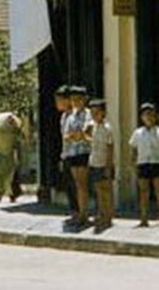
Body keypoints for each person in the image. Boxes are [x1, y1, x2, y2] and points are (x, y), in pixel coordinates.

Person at [62, 86, 93, 228]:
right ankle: (81, 213)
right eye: (73, 99)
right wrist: (76, 135)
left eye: (78, 99)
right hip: (73, 152)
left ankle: (84, 214)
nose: (75, 102)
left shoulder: (88, 114)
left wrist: (77, 135)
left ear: (84, 99)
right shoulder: (71, 116)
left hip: (84, 152)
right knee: (78, 184)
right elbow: (66, 135)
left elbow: (85, 131)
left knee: (83, 184)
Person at [84, 99, 115, 233]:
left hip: (104, 163)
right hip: (94, 161)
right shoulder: (92, 126)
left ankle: (108, 216)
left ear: (103, 113)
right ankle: (101, 213)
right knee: (98, 190)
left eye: (97, 112)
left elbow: (110, 147)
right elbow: (88, 138)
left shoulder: (107, 128)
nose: (94, 115)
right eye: (92, 112)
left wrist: (108, 166)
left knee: (106, 190)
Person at [128, 102, 159, 228]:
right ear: (142, 117)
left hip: (157, 163)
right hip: (143, 164)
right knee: (143, 192)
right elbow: (133, 149)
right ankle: (144, 218)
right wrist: (133, 165)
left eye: (151, 114)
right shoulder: (138, 133)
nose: (149, 117)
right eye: (146, 115)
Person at [54, 86, 79, 222]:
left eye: (59, 100)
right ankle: (74, 210)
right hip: (67, 153)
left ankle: (81, 211)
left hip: (77, 153)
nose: (57, 103)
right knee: (69, 184)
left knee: (78, 185)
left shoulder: (77, 115)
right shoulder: (63, 116)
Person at [0, 112, 22, 204]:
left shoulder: (7, 132)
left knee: (5, 177)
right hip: (5, 155)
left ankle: (6, 194)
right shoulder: (11, 132)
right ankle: (4, 194)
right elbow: (17, 144)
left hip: (6, 156)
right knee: (4, 176)